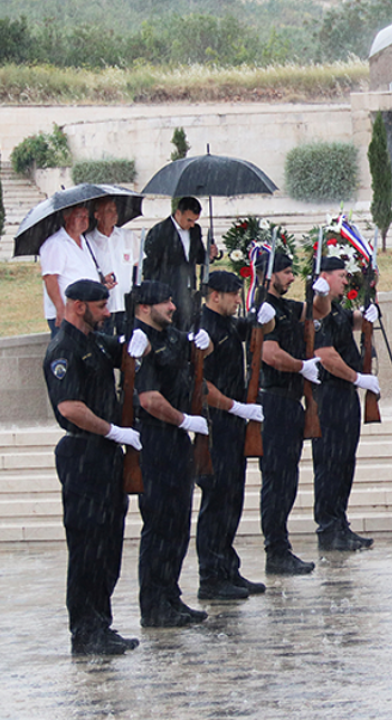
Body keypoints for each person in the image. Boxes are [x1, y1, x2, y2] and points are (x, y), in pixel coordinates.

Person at [43, 279, 142, 655]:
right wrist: (112, 429)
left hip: (105, 453)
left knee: (108, 545)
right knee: (87, 547)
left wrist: (139, 340)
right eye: (101, 307)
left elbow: (125, 354)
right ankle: (85, 632)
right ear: (79, 306)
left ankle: (102, 622)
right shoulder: (63, 348)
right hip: (82, 452)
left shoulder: (97, 341)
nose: (106, 313)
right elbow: (70, 408)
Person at [128, 280, 214, 627]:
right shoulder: (139, 342)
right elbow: (148, 398)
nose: (173, 307)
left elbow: (193, 356)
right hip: (157, 438)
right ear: (145, 307)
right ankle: (153, 603)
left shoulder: (170, 336)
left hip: (179, 438)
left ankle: (171, 595)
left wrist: (204, 349)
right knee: (160, 523)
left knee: (178, 523)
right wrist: (183, 420)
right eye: (165, 302)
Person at [195, 271, 275, 600]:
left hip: (233, 424)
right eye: (233, 295)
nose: (238, 300)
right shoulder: (206, 329)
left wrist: (266, 319)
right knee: (217, 501)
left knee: (232, 499)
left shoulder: (228, 322)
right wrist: (234, 407)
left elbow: (256, 330)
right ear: (215, 295)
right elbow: (199, 385)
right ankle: (210, 576)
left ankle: (228, 567)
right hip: (216, 422)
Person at [311, 257, 380, 551]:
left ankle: (340, 523)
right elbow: (326, 355)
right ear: (324, 276)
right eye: (340, 276)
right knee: (329, 463)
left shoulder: (336, 308)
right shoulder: (317, 310)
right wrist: (357, 378)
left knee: (344, 462)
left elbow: (350, 321)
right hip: (330, 394)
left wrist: (368, 307)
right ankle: (328, 528)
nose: (344, 280)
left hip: (345, 394)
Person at [259, 253, 322, 575]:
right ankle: (275, 549)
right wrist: (301, 366)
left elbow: (317, 312)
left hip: (291, 401)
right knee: (277, 480)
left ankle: (281, 547)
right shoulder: (264, 309)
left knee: (288, 480)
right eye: (286, 273)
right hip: (274, 400)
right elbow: (269, 354)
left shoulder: (287, 307)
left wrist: (320, 292)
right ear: (269, 276)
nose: (291, 278)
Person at [142, 197, 213, 331]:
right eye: (189, 220)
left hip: (189, 291)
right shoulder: (159, 232)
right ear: (178, 213)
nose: (192, 224)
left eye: (195, 221)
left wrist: (209, 255)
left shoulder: (195, 231)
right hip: (168, 289)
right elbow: (150, 266)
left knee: (188, 328)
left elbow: (198, 257)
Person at [41, 203, 104, 335]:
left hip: (86, 312)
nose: (84, 220)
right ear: (66, 217)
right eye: (78, 216)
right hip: (68, 313)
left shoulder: (85, 241)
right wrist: (60, 308)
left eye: (86, 216)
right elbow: (50, 279)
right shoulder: (56, 244)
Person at [85, 197, 139, 334]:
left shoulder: (128, 236)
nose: (114, 214)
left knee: (127, 347)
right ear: (97, 215)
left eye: (115, 210)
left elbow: (138, 267)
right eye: (109, 211)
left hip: (127, 304)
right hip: (103, 306)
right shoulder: (88, 241)